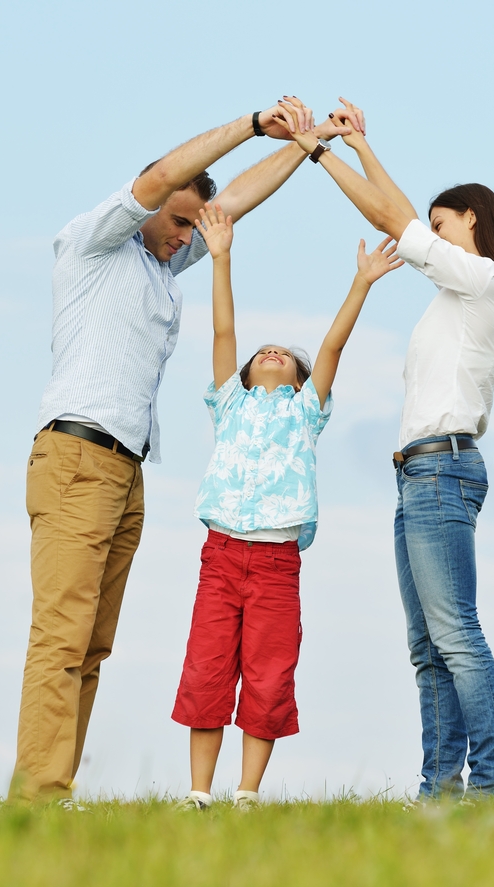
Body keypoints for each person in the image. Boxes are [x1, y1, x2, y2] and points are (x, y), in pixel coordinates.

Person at [10, 99, 359, 803]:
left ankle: (54, 792)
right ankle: (37, 796)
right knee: (61, 633)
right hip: (76, 458)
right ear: (144, 204)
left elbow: (229, 202)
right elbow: (174, 171)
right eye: (176, 221)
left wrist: (309, 143)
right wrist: (255, 122)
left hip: (124, 470)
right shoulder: (97, 241)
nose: (184, 237)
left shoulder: (160, 266)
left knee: (91, 644)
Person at [277, 97, 494, 801]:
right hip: (418, 474)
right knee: (428, 649)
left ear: (472, 222)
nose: (432, 232)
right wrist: (359, 145)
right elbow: (401, 214)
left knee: (456, 636)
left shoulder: (485, 281)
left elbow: (393, 219)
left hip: (442, 469)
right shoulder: (454, 296)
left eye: (444, 222)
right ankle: (439, 790)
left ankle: (489, 787)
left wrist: (323, 151)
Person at [171, 202, 403, 809]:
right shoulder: (232, 405)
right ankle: (199, 793)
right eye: (263, 352)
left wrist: (360, 282)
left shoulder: (305, 412)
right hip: (221, 557)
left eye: (285, 354)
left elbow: (332, 346)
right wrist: (220, 257)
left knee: (269, 676)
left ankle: (246, 792)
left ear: (301, 380)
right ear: (245, 375)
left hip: (276, 565)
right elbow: (224, 332)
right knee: (207, 669)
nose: (272, 352)